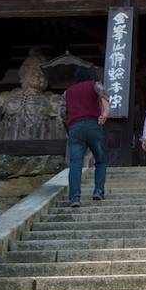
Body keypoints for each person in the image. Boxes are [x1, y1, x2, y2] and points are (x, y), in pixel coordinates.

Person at [63, 66, 109, 207]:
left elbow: (62, 113)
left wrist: (70, 128)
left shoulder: (67, 92)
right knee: (101, 160)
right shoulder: (95, 85)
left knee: (75, 163)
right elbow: (105, 98)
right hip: (93, 125)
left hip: (75, 128)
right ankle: (98, 191)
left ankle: (74, 198)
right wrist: (105, 115)